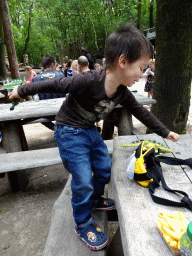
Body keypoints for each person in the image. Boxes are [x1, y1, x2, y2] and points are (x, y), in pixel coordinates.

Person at [9, 23, 179, 251]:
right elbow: (56, 84)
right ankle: (82, 223)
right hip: (68, 131)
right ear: (123, 61)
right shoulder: (87, 80)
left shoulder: (122, 92)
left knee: (103, 166)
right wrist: (21, 90)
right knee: (82, 179)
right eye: (141, 67)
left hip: (88, 130)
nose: (142, 74)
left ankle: (96, 199)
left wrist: (165, 132)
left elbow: (140, 112)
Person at [32, 55, 65, 130]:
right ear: (52, 64)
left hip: (45, 112)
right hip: (61, 110)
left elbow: (36, 98)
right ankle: (59, 129)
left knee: (35, 115)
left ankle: (55, 128)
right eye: (56, 64)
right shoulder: (61, 75)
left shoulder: (36, 78)